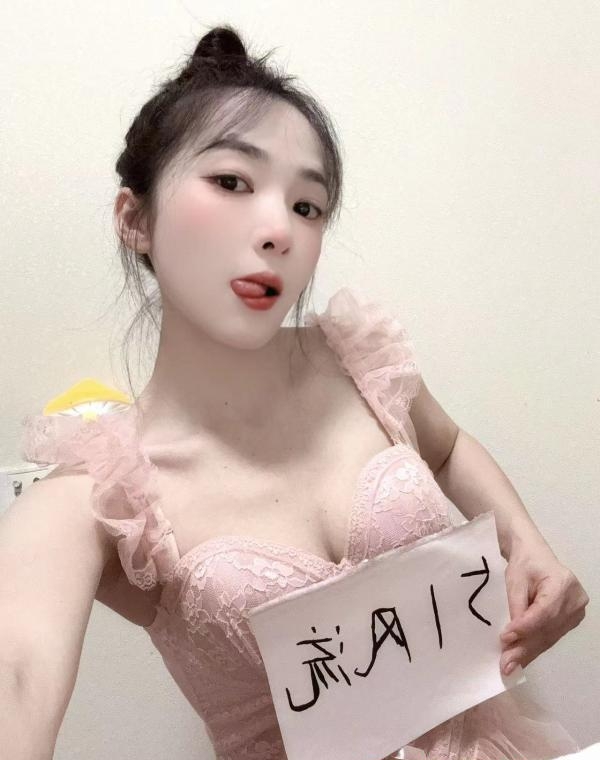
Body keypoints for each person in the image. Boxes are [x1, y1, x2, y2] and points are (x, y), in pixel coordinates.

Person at [6, 23, 589, 760]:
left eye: (308, 206)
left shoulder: (359, 362)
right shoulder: (104, 494)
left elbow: (445, 450)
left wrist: (527, 542)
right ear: (135, 219)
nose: (279, 229)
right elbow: (18, 672)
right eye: (231, 182)